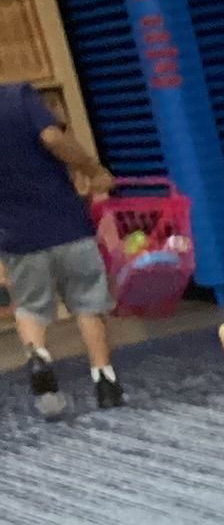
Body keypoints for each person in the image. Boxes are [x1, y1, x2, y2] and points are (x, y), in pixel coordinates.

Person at [0, 82, 122, 419]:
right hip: (67, 223)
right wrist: (93, 169)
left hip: (18, 235)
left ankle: (39, 358)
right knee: (88, 302)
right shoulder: (17, 96)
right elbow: (53, 138)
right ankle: (105, 382)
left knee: (31, 307)